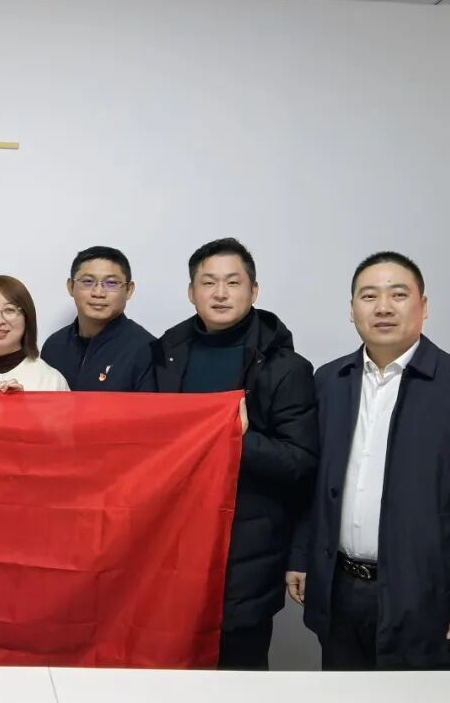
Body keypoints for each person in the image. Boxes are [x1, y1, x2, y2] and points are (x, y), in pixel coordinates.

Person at [288, 251, 450, 669]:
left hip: (428, 600)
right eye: (368, 296)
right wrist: (302, 556)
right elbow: (313, 482)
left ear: (423, 306)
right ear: (352, 309)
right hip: (341, 593)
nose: (383, 307)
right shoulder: (329, 381)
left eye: (398, 294)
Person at [148, 237, 317, 669]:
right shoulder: (165, 355)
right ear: (192, 292)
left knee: (238, 676)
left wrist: (240, 437)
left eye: (233, 282)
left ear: (253, 291)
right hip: (172, 544)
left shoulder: (286, 368)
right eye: (208, 283)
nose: (220, 293)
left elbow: (300, 462)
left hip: (246, 553)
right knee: (169, 674)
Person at [41, 245, 154, 391]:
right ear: (71, 286)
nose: (98, 293)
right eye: (88, 282)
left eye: (111, 283)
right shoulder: (54, 346)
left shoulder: (148, 350)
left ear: (129, 290)